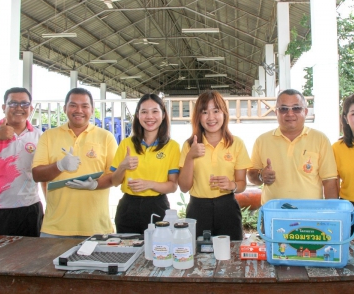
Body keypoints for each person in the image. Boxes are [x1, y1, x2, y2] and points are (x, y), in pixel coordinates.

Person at [32, 88, 118, 237]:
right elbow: (37, 175)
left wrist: (95, 184)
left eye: (85, 106)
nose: (79, 110)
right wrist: (60, 165)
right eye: (73, 105)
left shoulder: (106, 137)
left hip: (96, 227)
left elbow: (115, 177)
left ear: (92, 110)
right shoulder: (48, 136)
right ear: (65, 108)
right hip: (55, 228)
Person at [179, 91, 252, 241]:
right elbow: (184, 187)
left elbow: (242, 184)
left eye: (216, 111)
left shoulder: (236, 143)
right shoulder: (189, 145)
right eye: (204, 112)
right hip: (197, 208)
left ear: (224, 113)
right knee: (197, 255)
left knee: (231, 255)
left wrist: (232, 185)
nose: (211, 117)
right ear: (198, 117)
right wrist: (190, 157)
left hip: (228, 207)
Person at [247, 89, 339, 204]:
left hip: (311, 215)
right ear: (276, 112)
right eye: (283, 109)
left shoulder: (320, 139)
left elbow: (329, 181)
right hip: (273, 215)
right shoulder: (262, 140)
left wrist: (333, 214)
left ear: (305, 112)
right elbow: (251, 176)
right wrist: (261, 176)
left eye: (296, 108)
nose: (290, 114)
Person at [111, 94, 180, 234]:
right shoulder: (126, 144)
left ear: (163, 114)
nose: (149, 117)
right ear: (137, 115)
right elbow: (114, 181)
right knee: (127, 249)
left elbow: (173, 186)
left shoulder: (172, 146)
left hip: (157, 206)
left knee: (159, 251)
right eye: (144, 112)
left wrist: (149, 184)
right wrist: (122, 167)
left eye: (155, 111)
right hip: (128, 207)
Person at [0, 87, 44, 237]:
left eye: (24, 104)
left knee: (29, 256)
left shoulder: (39, 136)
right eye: (13, 103)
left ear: (31, 108)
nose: (19, 108)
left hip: (29, 208)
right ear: (3, 107)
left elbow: (43, 173)